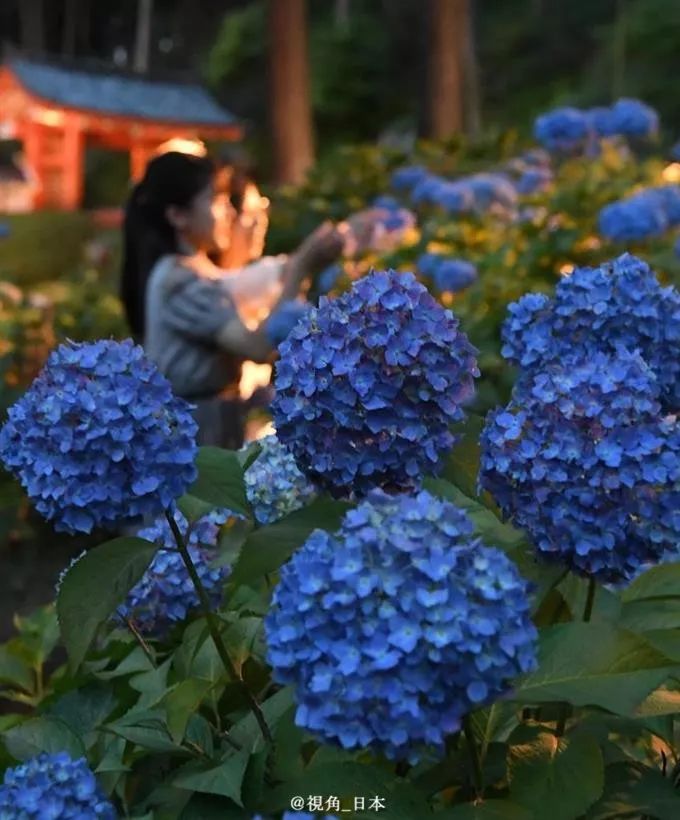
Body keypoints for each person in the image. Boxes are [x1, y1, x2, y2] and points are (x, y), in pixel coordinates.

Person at [120, 151, 375, 449]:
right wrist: (299, 269)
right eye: (215, 200)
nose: (229, 212)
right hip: (194, 433)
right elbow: (258, 346)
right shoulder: (179, 281)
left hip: (212, 424)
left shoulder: (196, 272)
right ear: (178, 215)